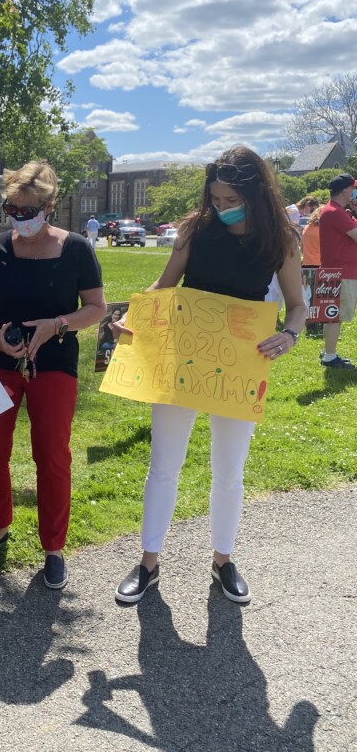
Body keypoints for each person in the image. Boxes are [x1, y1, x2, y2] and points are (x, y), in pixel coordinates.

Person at [114, 145, 305, 606]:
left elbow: (298, 306)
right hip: (182, 359)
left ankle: (223, 560)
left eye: (229, 200)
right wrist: (136, 315)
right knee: (164, 464)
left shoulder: (281, 239)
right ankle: (149, 562)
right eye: (215, 199)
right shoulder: (194, 230)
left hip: (241, 367)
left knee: (229, 471)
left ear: (255, 193)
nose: (221, 208)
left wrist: (290, 336)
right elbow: (164, 286)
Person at [0, 161, 106, 590]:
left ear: (49, 207)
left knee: (51, 455)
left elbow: (96, 309)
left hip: (55, 359)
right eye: (12, 209)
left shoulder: (77, 248)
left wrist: (56, 324)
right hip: (2, 359)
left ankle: (53, 548)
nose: (19, 219)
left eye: (28, 211)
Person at [318, 173, 357, 368]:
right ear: (345, 190)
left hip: (338, 271)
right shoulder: (336, 212)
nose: (354, 191)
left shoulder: (337, 211)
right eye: (353, 188)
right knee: (335, 316)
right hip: (341, 272)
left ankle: (329, 353)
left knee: (334, 315)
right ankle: (329, 357)